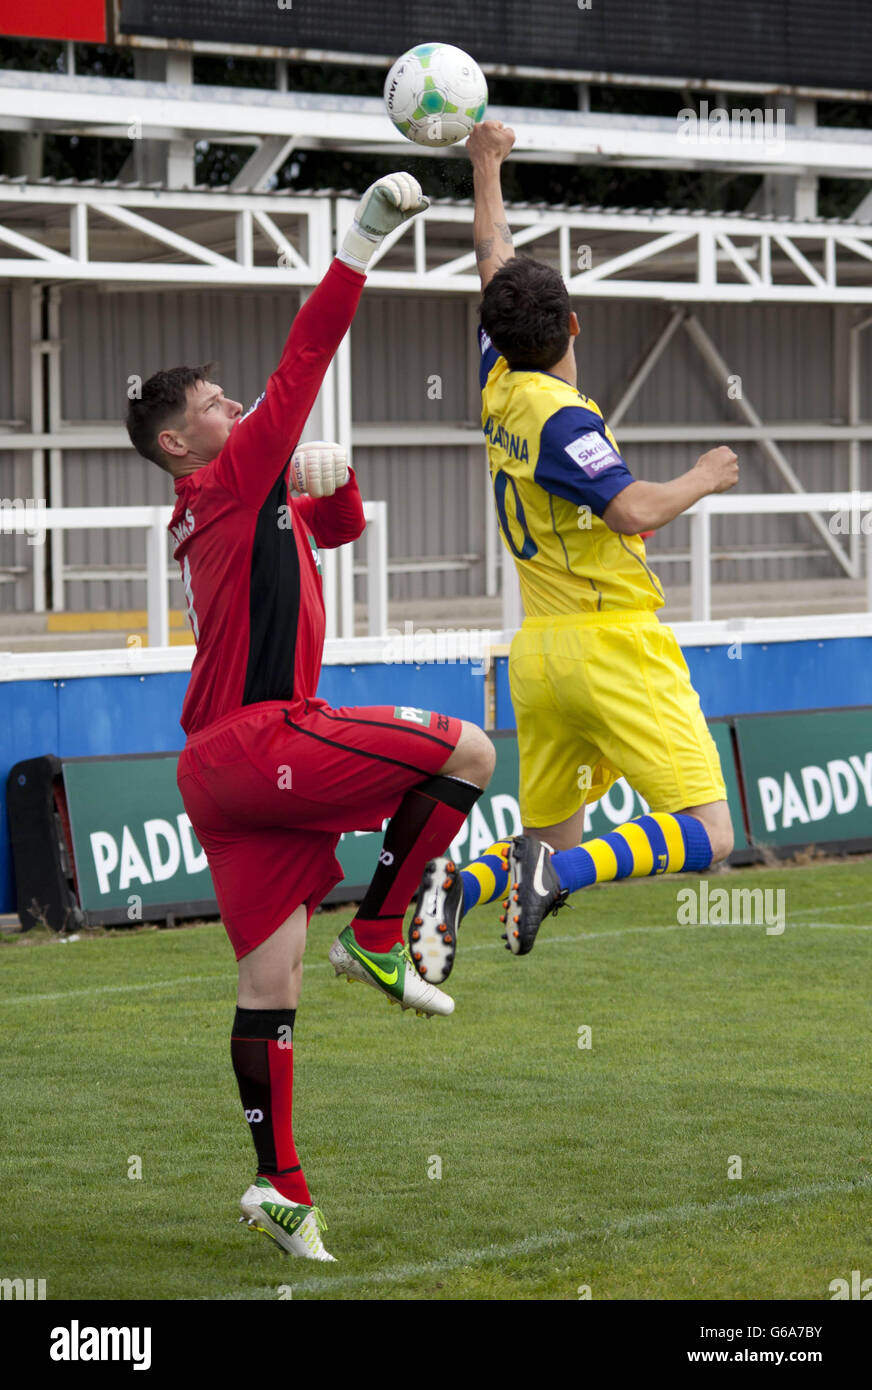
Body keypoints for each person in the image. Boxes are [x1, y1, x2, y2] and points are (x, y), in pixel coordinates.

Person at [125, 173, 495, 1262]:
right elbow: (306, 355)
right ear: (183, 445)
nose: (237, 407)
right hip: (265, 736)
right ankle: (379, 932)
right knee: (465, 748)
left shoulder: (234, 494)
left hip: (219, 771)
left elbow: (337, 533)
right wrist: (362, 239)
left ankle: (277, 1185)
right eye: (215, 404)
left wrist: (332, 482)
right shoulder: (232, 477)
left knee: (265, 985)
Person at [408, 124, 737, 986]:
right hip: (611, 642)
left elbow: (493, 260)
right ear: (575, 322)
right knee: (708, 832)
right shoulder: (561, 416)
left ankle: (456, 884)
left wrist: (485, 166)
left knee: (551, 837)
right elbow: (630, 503)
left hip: (540, 651)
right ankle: (546, 877)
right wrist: (703, 476)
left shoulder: (499, 383)